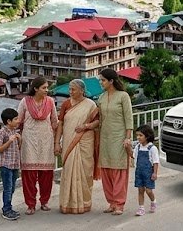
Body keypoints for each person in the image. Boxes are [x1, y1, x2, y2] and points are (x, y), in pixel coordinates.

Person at [55, 79, 100, 214]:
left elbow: (97, 121)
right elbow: (60, 124)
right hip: (69, 141)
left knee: (85, 171)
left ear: (81, 90)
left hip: (85, 140)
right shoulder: (66, 104)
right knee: (69, 170)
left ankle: (84, 203)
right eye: (69, 89)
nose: (70, 92)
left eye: (73, 89)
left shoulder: (91, 105)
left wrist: (85, 126)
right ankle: (68, 204)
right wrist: (57, 142)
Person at [17, 76, 58, 215]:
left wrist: (57, 141)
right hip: (29, 141)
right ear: (35, 88)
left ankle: (44, 201)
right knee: (29, 174)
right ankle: (30, 204)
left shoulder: (50, 102)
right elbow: (19, 120)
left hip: (46, 140)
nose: (47, 90)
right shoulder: (25, 101)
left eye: (47, 87)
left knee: (46, 174)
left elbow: (54, 122)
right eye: (44, 88)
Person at [97, 68, 133, 215]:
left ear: (111, 81)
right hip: (104, 138)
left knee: (118, 171)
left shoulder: (123, 96)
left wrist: (128, 138)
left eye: (103, 80)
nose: (101, 83)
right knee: (106, 170)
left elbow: (128, 118)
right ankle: (111, 202)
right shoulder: (101, 97)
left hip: (119, 138)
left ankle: (119, 204)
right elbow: (97, 119)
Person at [0, 108, 22, 221]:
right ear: (9, 121)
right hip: (6, 165)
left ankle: (8, 207)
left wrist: (20, 139)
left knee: (12, 188)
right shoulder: (2, 132)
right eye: (15, 119)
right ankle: (6, 210)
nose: (18, 120)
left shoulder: (15, 131)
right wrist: (9, 141)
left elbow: (18, 148)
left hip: (15, 164)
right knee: (7, 188)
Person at [130, 124, 160, 216]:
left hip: (148, 173)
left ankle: (153, 201)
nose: (138, 137)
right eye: (137, 135)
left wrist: (155, 173)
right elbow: (133, 156)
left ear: (147, 136)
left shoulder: (152, 148)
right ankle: (141, 208)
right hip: (139, 172)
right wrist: (127, 148)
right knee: (140, 190)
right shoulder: (138, 147)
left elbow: (155, 161)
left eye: (140, 135)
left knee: (148, 191)